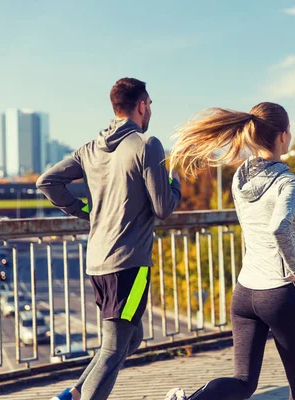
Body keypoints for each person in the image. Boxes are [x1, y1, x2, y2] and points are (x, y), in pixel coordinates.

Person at [37, 77, 182, 400]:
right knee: (115, 349)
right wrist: (175, 178)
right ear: (142, 106)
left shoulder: (91, 149)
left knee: (128, 339)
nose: (150, 112)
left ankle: (72, 394)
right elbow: (163, 208)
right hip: (129, 265)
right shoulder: (147, 146)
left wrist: (85, 210)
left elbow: (47, 181)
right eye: (150, 105)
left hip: (97, 264)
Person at [165, 102, 295, 400]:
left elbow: (264, 210)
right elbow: (279, 227)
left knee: (243, 382)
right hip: (280, 292)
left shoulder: (240, 179)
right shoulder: (291, 182)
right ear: (283, 137)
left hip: (245, 293)